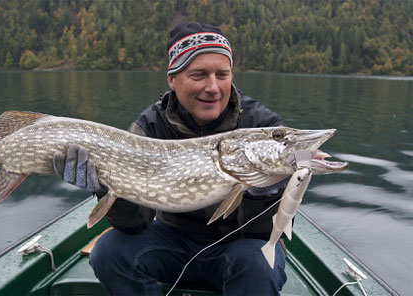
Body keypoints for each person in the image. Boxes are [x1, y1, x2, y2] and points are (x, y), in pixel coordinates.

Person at [54, 22, 287, 295]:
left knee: (260, 263)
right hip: (171, 242)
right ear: (173, 80)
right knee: (108, 252)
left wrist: (264, 196)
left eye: (222, 74)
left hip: (237, 244)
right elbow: (136, 223)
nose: (213, 87)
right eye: (199, 75)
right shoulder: (149, 128)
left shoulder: (264, 128)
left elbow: (263, 234)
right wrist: (105, 187)